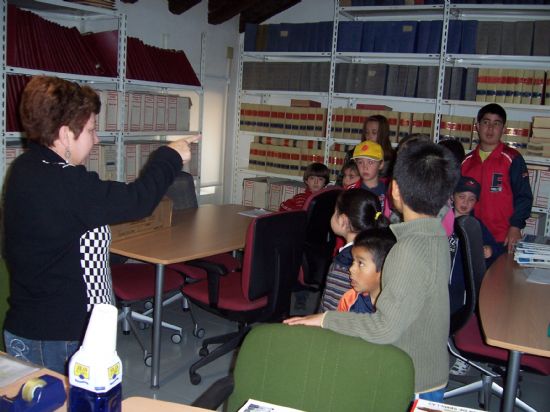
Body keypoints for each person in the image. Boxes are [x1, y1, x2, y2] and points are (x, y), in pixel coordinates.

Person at [2, 76, 198, 374]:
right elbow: (138, 200)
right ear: (66, 134)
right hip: (59, 339)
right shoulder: (64, 182)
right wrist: (169, 156)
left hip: (37, 328)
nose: (95, 139)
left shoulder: (26, 168)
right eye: (91, 130)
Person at [285, 142, 460, 401]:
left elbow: (384, 329)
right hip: (428, 369)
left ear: (395, 190)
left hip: (411, 381)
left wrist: (324, 319)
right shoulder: (436, 235)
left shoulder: (406, 250)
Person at [461, 103, 533, 253]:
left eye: (496, 123)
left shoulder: (512, 159)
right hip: (470, 237)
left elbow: (524, 197)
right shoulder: (466, 162)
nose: (490, 128)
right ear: (477, 127)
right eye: (486, 122)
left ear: (503, 129)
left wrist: (516, 226)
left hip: (503, 238)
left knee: (499, 277)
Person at [320, 189, 388, 312]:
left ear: (343, 220)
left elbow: (330, 311)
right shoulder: (381, 250)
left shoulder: (343, 265)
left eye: (335, 212)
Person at [449, 176, 500, 316]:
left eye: (471, 199)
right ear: (453, 197)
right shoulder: (441, 220)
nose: (466, 202)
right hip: (438, 282)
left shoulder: (476, 225)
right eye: (462, 196)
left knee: (456, 316)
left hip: (461, 285)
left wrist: (490, 251)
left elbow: (495, 249)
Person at [337, 228, 396, 314]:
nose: (351, 269)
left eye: (360, 263)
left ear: (385, 268)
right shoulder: (349, 299)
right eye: (353, 261)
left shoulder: (396, 307)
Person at [336, 114, 395, 185]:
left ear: (383, 135)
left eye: (374, 133)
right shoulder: (354, 153)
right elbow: (340, 181)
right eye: (367, 132)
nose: (369, 137)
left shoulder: (392, 159)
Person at [346, 141, 386, 211]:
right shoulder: (351, 191)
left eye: (370, 162)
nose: (365, 167)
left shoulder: (389, 191)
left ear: (381, 164)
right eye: (360, 162)